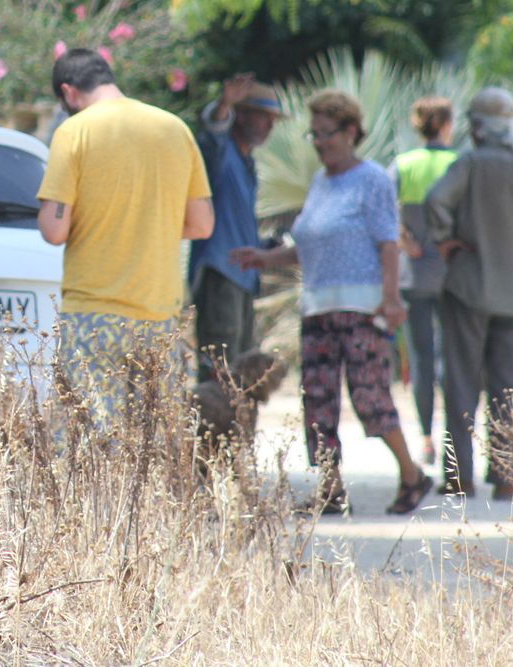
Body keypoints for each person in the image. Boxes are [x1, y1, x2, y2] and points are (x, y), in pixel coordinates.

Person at [233, 89, 432, 515]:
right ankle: (331, 488)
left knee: (370, 398)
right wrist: (264, 258)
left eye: (328, 134)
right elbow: (309, 244)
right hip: (317, 309)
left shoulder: (372, 179)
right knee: (318, 401)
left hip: (363, 310)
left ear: (351, 132)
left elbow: (387, 243)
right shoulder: (322, 183)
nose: (321, 143)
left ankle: (412, 475)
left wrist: (392, 299)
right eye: (315, 135)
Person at [37, 48, 214, 428]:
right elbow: (202, 224)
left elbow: (54, 230)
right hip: (159, 314)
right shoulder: (174, 129)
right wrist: (151, 222)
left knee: (92, 443)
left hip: (93, 313)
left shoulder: (75, 131)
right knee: (155, 442)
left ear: (69, 92)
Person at [425, 87, 513, 500]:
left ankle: (458, 476)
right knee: (508, 388)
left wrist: (444, 239)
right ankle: (506, 477)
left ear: (477, 127)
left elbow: (435, 201)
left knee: (461, 383)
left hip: (470, 285)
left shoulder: (469, 163)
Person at [188, 73, 285, 382]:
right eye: (263, 117)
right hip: (221, 273)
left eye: (273, 119)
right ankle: (214, 430)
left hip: (242, 277)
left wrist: (266, 247)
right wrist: (223, 104)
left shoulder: (246, 162)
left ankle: (234, 430)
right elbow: (212, 131)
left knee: (240, 370)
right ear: (241, 116)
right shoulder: (221, 152)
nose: (270, 126)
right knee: (219, 369)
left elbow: (237, 222)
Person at [387, 97, 458, 467]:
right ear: (448, 124)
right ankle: (454, 440)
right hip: (452, 277)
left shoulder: (403, 165)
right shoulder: (459, 164)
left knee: (421, 360)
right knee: (451, 360)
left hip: (412, 275)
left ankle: (427, 438)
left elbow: (381, 210)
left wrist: (404, 239)